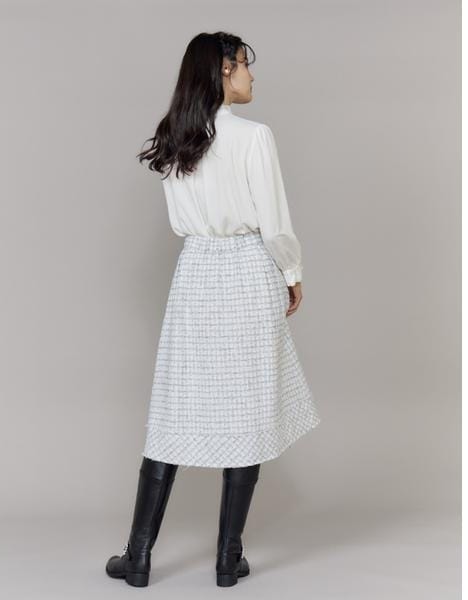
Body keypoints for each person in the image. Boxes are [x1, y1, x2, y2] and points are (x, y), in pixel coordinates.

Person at [105, 31, 321, 587]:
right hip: (248, 269)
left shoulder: (174, 134)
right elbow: (274, 221)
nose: (251, 75)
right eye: (245, 65)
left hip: (196, 272)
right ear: (224, 69)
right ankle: (228, 558)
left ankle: (138, 556)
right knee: (248, 406)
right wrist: (292, 273)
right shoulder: (254, 136)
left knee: (172, 410)